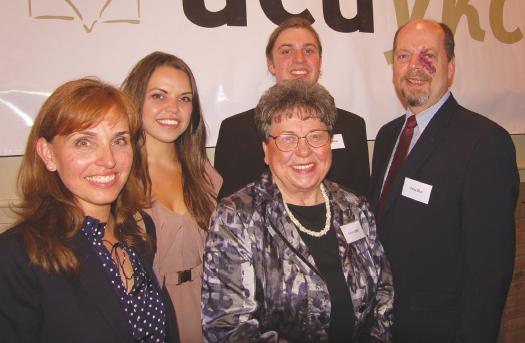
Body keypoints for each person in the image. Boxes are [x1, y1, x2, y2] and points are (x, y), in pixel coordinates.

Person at [202, 79, 393, 342]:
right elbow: (228, 328)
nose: (304, 151)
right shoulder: (236, 217)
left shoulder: (355, 206)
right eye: (288, 139)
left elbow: (384, 297)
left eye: (316, 136)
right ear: (266, 151)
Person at [368, 19, 519, 343]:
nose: (414, 67)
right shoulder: (387, 137)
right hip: (383, 327)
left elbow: (488, 274)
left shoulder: (484, 143)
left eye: (428, 55)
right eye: (403, 56)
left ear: (450, 67)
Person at [0, 78, 179, 342]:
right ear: (48, 154)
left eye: (119, 141)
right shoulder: (17, 256)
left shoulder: (137, 234)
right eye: (84, 142)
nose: (108, 160)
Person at [122, 51, 222, 343]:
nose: (173, 108)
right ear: (136, 99)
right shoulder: (116, 176)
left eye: (184, 98)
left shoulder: (202, 173)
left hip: (211, 308)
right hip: (148, 315)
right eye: (158, 96)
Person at [214, 16, 370, 199]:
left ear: (320, 62)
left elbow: (361, 202)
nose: (299, 59)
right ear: (271, 64)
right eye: (287, 51)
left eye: (309, 50)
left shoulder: (353, 127)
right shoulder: (235, 131)